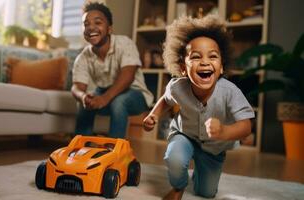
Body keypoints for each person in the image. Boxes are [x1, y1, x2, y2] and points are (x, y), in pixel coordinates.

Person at [143, 15, 254, 199]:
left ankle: (200, 176)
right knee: (174, 158)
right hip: (184, 134)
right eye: (195, 56)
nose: (204, 62)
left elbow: (246, 126)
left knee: (206, 192)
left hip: (214, 147)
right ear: (183, 68)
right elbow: (165, 98)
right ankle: (178, 187)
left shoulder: (230, 92)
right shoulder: (178, 86)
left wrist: (224, 132)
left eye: (213, 56)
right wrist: (153, 115)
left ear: (221, 67)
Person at [71, 2, 153, 138]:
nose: (91, 27)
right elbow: (77, 87)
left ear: (109, 29)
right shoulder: (83, 57)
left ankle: (114, 151)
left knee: (118, 102)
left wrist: (104, 98)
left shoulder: (125, 43)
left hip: (135, 94)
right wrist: (83, 97)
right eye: (86, 24)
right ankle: (79, 150)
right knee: (86, 103)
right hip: (104, 92)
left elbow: (128, 76)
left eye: (98, 23)